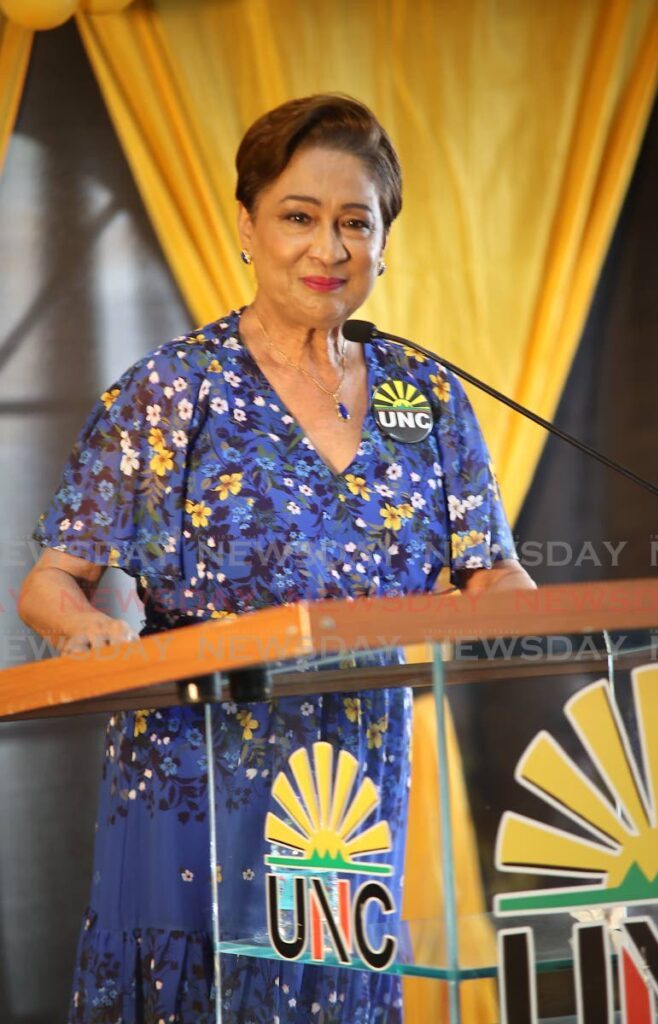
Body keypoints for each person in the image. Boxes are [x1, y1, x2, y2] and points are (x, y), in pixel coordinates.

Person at [18, 94, 533, 1024]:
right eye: (299, 217)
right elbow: (52, 583)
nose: (328, 250)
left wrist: (521, 604)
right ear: (247, 225)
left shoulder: (426, 395)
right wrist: (96, 634)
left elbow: (488, 574)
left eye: (354, 223)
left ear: (384, 241)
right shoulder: (175, 389)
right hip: (194, 779)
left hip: (352, 786)